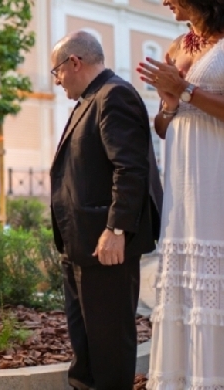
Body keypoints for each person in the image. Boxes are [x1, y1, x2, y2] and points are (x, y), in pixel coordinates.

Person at [49, 31, 163, 390]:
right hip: (80, 245)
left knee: (110, 347)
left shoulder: (114, 96)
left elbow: (129, 169)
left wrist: (116, 229)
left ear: (74, 62)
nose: (56, 80)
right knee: (85, 348)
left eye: (57, 71)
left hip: (105, 247)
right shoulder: (90, 98)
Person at [137, 1, 224, 388]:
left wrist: (185, 89)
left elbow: (189, 95)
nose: (164, 1)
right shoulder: (177, 46)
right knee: (186, 289)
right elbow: (162, 125)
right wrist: (170, 104)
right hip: (184, 177)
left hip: (216, 172)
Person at [153, 0, 199, 139]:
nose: (165, 2)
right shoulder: (177, 45)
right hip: (181, 154)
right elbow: (161, 131)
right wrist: (170, 107)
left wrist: (181, 89)